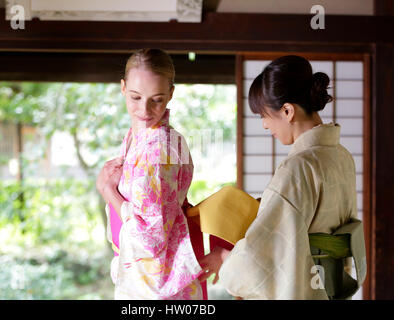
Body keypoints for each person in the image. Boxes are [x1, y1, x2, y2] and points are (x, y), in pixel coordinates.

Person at [199, 55, 359, 299]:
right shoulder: (341, 156)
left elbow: (261, 255)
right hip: (328, 287)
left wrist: (226, 259)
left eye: (264, 115)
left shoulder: (298, 167)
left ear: (287, 111)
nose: (264, 125)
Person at [96, 48, 204, 300]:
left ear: (170, 94)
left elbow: (150, 239)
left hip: (156, 285)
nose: (144, 110)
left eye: (156, 99)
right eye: (135, 97)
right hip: (149, 278)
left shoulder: (158, 149)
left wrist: (108, 191)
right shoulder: (140, 138)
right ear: (123, 88)